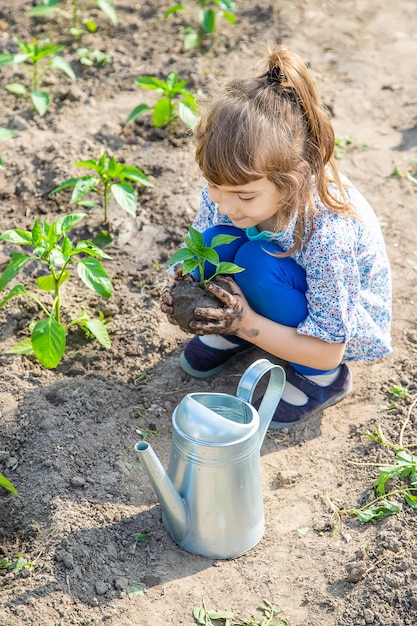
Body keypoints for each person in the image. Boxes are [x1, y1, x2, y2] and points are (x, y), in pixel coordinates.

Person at [161, 45, 392, 429]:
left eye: (245, 195)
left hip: (333, 330)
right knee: (210, 242)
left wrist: (242, 322)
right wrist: (174, 283)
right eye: (214, 186)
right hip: (283, 288)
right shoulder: (229, 192)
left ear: (295, 178)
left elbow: (329, 350)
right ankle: (247, 331)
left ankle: (322, 386)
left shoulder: (328, 232)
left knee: (253, 262)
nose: (225, 202)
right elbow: (197, 243)